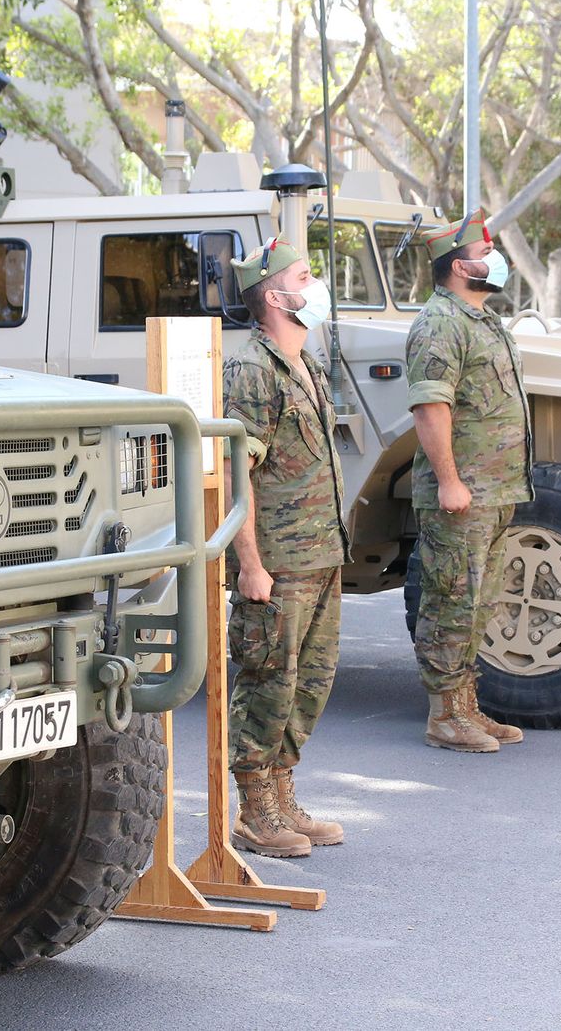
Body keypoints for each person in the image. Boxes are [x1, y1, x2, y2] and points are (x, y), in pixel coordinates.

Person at [222, 236, 351, 857]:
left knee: (311, 683)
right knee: (268, 681)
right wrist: (249, 563)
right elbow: (235, 474)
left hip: (321, 552)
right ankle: (253, 810)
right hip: (277, 559)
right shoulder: (250, 370)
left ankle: (282, 794)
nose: (316, 282)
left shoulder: (308, 363)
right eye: (306, 274)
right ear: (277, 295)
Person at [404, 209, 533, 753]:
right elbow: (431, 407)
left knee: (478, 603)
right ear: (460, 266)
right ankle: (443, 716)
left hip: (496, 491)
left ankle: (465, 706)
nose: (494, 259)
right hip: (462, 494)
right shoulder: (440, 323)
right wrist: (450, 481)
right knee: (450, 600)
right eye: (485, 252)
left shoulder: (481, 319)